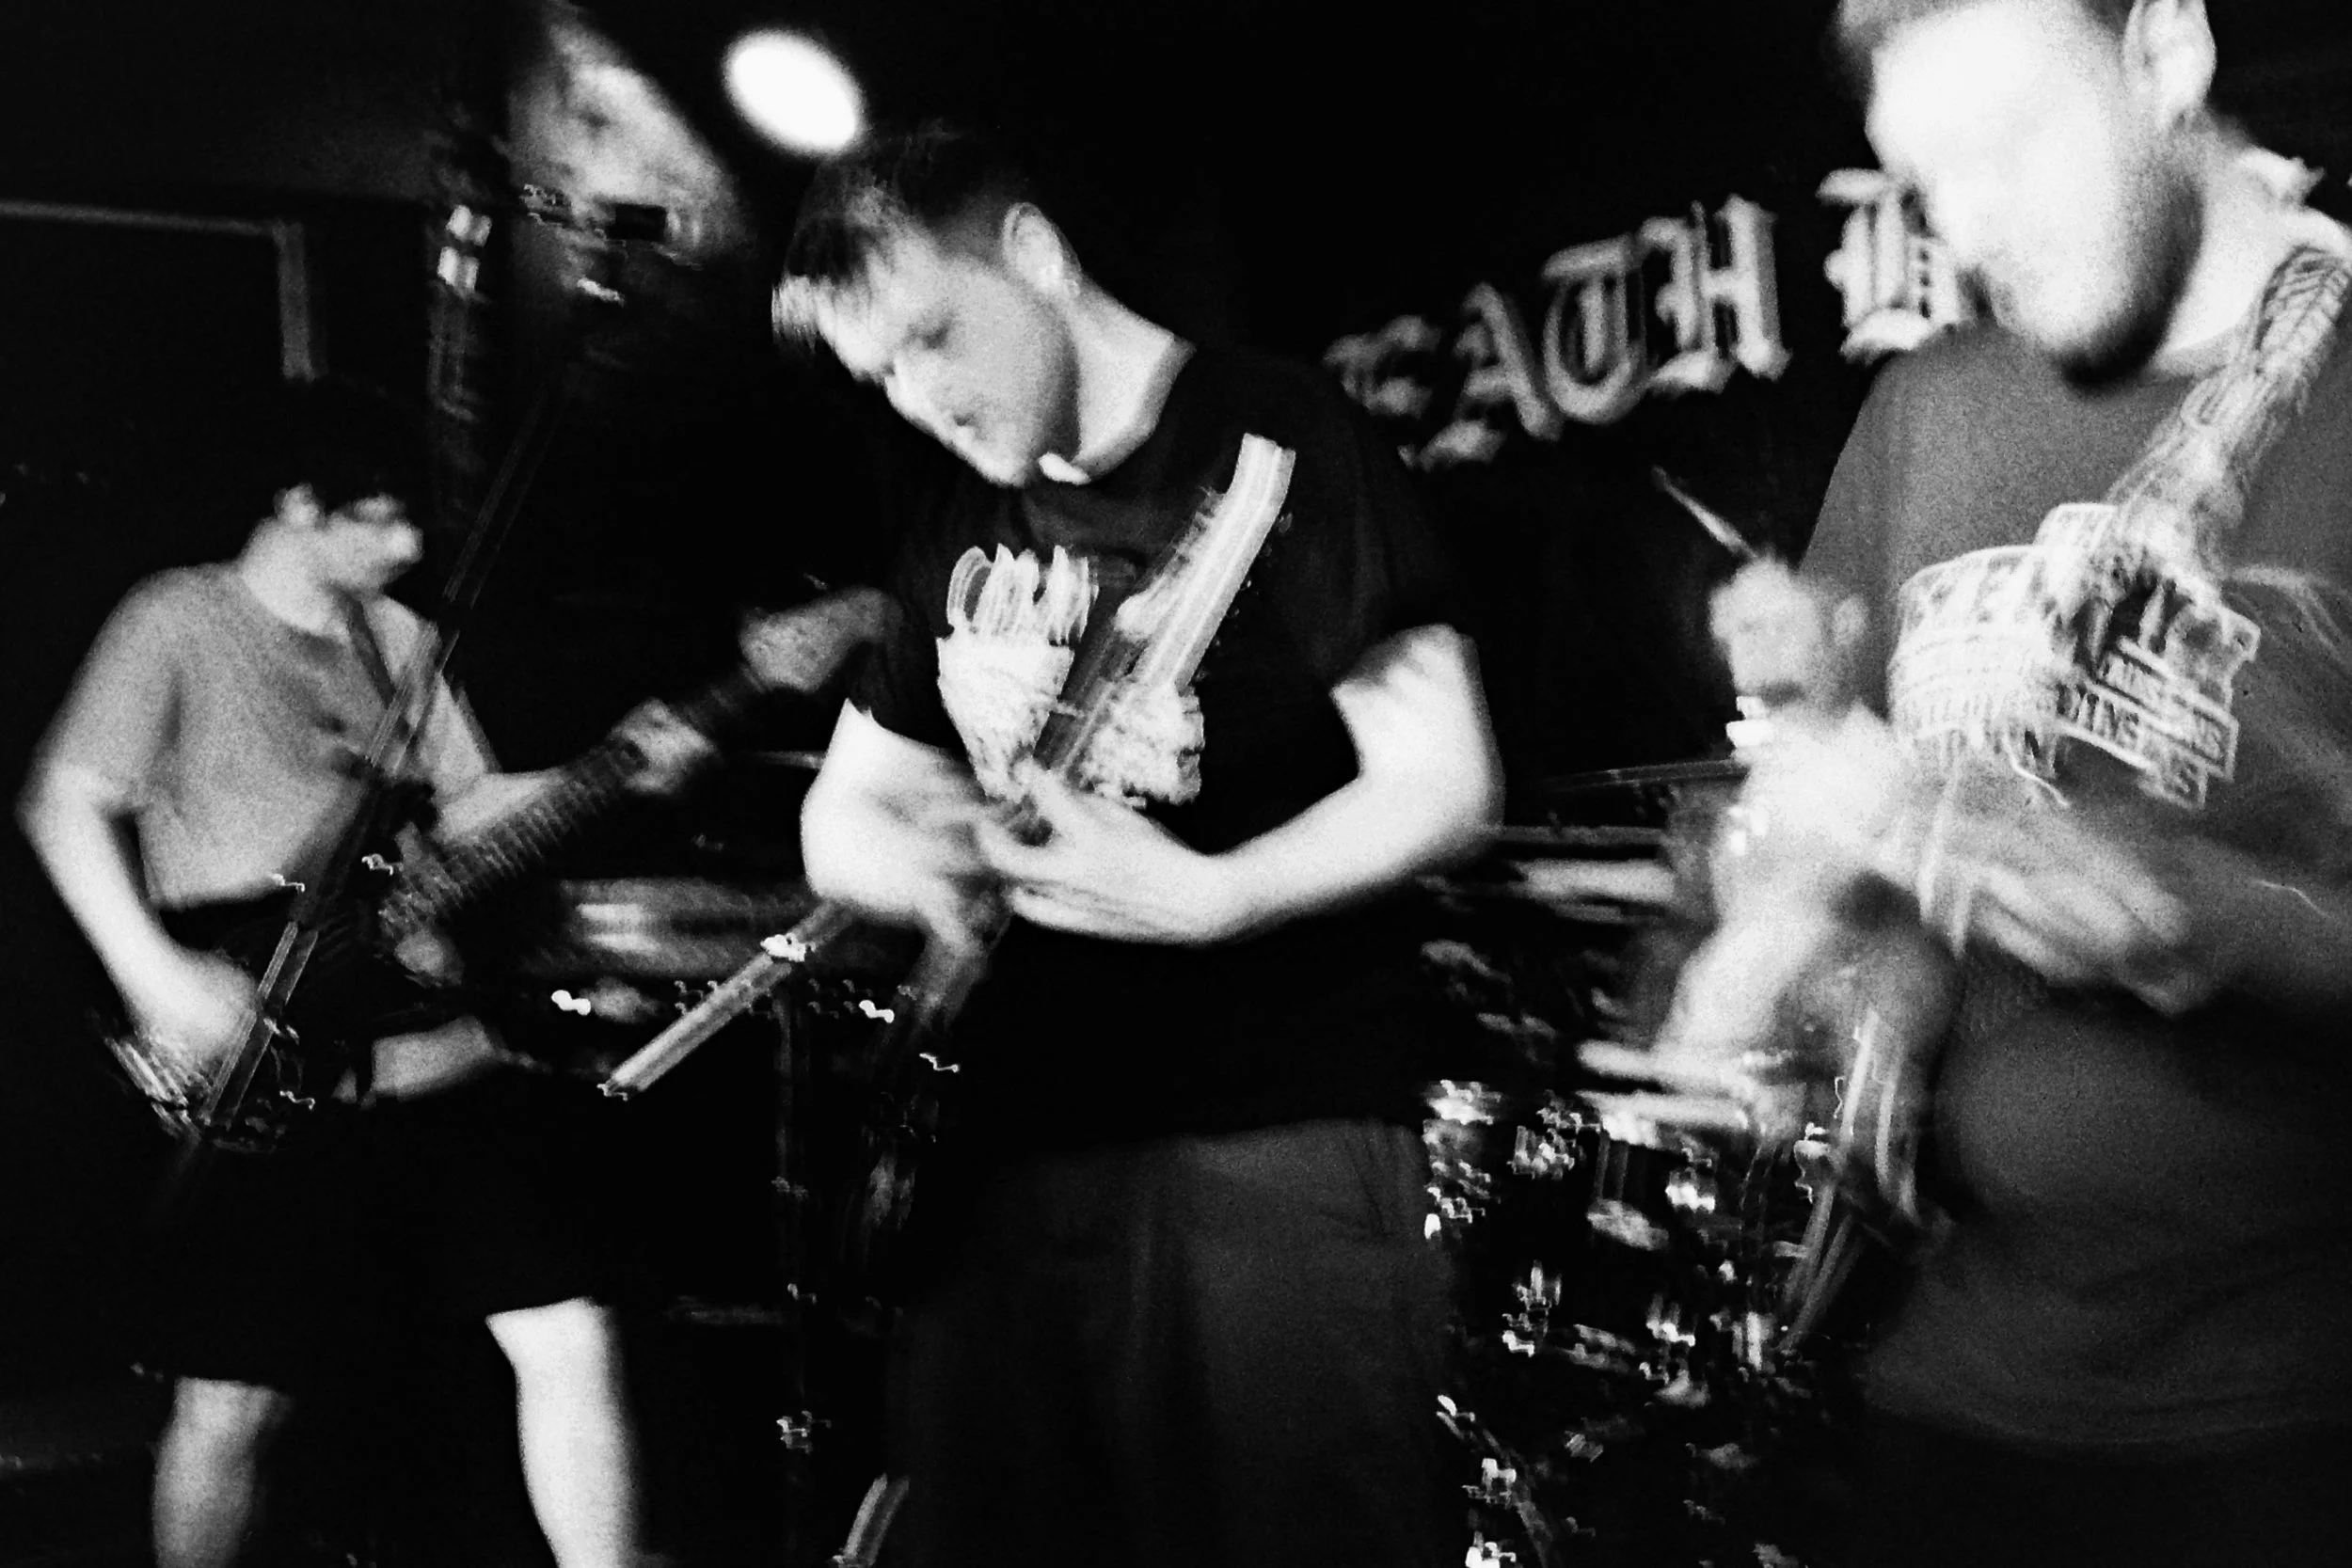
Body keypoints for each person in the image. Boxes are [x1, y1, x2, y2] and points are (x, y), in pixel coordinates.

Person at [772, 123, 1502, 1567]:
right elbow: (839, 812)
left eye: (932, 337)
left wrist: (1215, 894)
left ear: (1035, 254)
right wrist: (926, 867)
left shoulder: (1279, 438)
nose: (923, 397)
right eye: (883, 376)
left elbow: (1446, 776)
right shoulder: (965, 505)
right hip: (1011, 1148)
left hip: (1271, 1131)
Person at [1688, 2, 2352, 1561]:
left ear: (2167, 51)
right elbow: (1822, 798)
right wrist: (1786, 934)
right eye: (1928, 182)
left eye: (2011, 146)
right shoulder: (1927, 407)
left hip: (2294, 1422)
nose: (1971, 230)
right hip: (1950, 1385)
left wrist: (2186, 916)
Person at [17, 383, 698, 1568]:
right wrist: (157, 974)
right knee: (233, 1399)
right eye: (380, 516)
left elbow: (469, 808)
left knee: (568, 1325)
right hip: (270, 1055)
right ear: (298, 502)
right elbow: (65, 798)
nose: (410, 544)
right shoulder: (178, 617)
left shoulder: (399, 640)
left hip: (431, 1051)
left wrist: (616, 768)